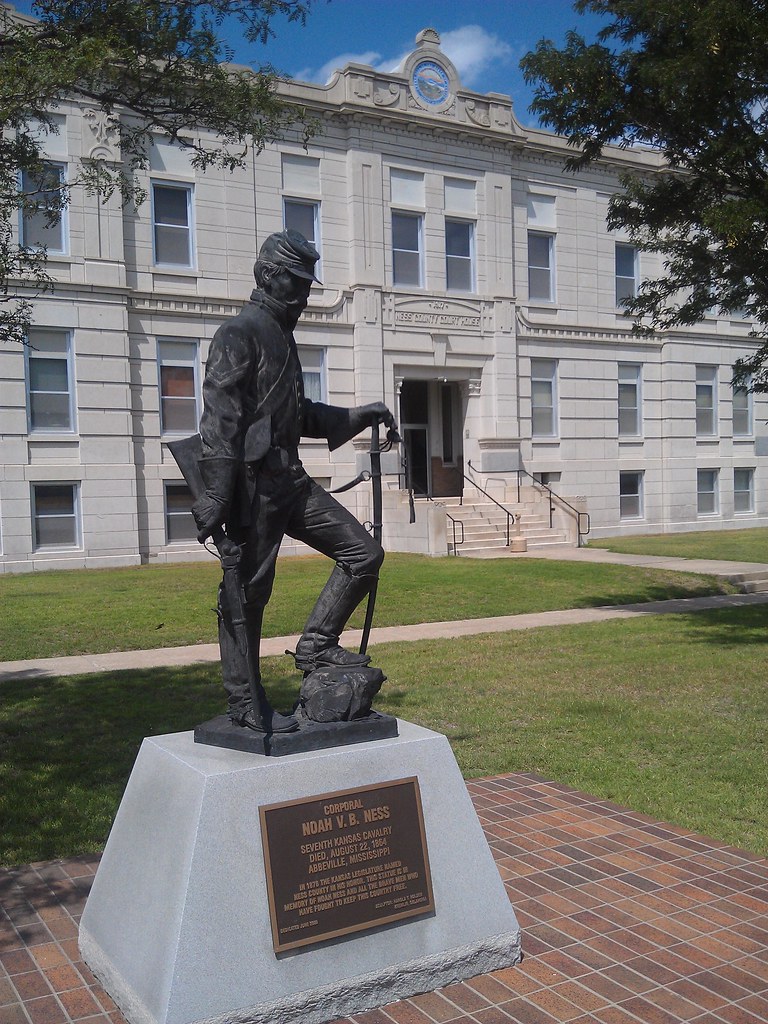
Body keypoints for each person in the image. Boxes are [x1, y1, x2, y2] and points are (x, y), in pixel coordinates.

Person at [191, 229, 396, 733]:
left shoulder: (282, 336)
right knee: (245, 595)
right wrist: (217, 494)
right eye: (296, 283)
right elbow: (220, 421)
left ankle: (317, 644)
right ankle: (244, 701)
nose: (304, 295)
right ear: (267, 275)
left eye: (307, 285)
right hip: (254, 488)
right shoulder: (238, 334)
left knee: (363, 554)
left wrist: (359, 415)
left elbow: (295, 415)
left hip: (291, 482)